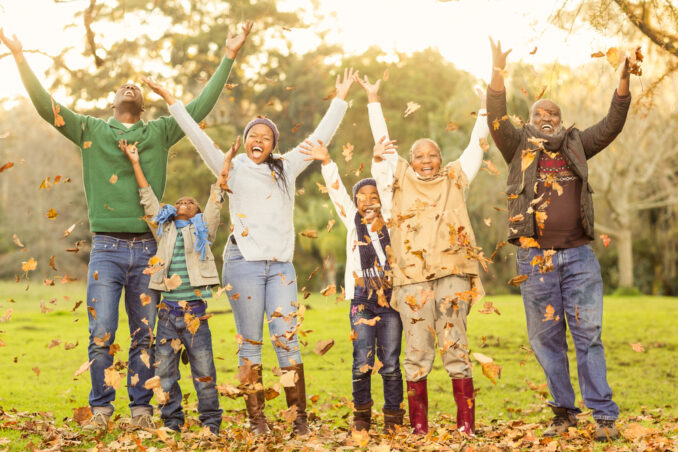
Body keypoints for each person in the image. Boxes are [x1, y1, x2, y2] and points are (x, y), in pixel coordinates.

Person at [0, 22, 251, 431]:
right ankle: (100, 410)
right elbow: (46, 106)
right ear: (113, 101)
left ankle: (141, 411)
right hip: (106, 249)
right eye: (123, 86)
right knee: (101, 333)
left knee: (142, 335)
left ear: (143, 104)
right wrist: (18, 55)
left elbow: (198, 108)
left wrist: (229, 55)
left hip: (150, 251)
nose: (130, 87)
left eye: (135, 87)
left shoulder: (160, 132)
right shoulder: (90, 130)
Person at [144, 68, 357, 435]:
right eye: (252, 135)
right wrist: (170, 100)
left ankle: (298, 420)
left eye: (266, 136)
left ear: (273, 144)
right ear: (245, 142)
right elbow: (197, 136)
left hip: (280, 267)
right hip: (242, 264)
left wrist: (339, 99)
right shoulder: (232, 169)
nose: (258, 140)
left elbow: (318, 138)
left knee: (287, 339)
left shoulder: (286, 169)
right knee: (251, 345)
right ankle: (257, 422)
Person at [486, 37, 634, 441]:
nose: (547, 116)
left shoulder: (577, 146)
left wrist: (622, 80)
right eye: (539, 112)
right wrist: (497, 74)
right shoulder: (517, 146)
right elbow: (496, 118)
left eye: (554, 112)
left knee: (589, 336)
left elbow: (612, 124)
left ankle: (604, 416)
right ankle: (563, 412)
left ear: (562, 120)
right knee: (545, 339)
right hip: (534, 262)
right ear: (530, 120)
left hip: (579, 259)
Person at [362, 75, 489, 435]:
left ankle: (466, 425)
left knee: (455, 348)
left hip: (452, 274)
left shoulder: (456, 177)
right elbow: (382, 145)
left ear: (441, 157)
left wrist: (484, 108)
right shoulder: (399, 177)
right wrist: (373, 100)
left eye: (433, 154)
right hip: (413, 280)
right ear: (411, 159)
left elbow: (477, 146)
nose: (427, 160)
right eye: (419, 155)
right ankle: (419, 426)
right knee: (416, 353)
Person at [121, 134, 235, 435]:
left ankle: (211, 423)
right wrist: (135, 162)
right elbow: (147, 197)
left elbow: (214, 201)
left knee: (205, 372)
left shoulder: (203, 232)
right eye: (180, 201)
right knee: (165, 373)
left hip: (195, 315)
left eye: (190, 202)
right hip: (168, 316)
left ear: (197, 212)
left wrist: (225, 166)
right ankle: (172, 422)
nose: (183, 203)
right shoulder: (165, 230)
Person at [298, 137, 404, 433]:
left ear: (381, 198)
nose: (368, 199)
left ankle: (394, 418)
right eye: (362, 195)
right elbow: (338, 195)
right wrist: (327, 163)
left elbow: (384, 183)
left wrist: (379, 160)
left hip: (391, 300)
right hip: (361, 299)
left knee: (391, 362)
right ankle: (361, 417)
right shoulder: (352, 223)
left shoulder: (392, 222)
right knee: (362, 360)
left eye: (374, 194)